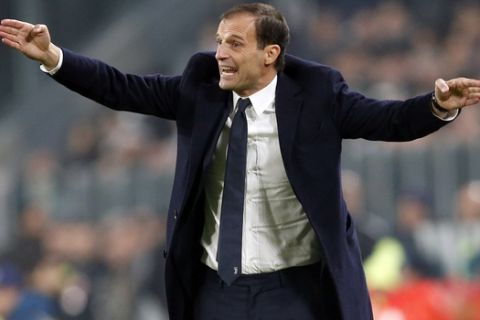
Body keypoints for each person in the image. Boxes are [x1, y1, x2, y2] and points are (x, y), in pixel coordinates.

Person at [1, 3, 480, 320]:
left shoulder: (318, 93)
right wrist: (54, 57)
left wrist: (438, 106)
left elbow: (388, 121)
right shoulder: (199, 83)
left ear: (270, 54)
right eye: (219, 40)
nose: (220, 53)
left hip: (294, 291)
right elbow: (122, 87)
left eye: (234, 43)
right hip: (217, 289)